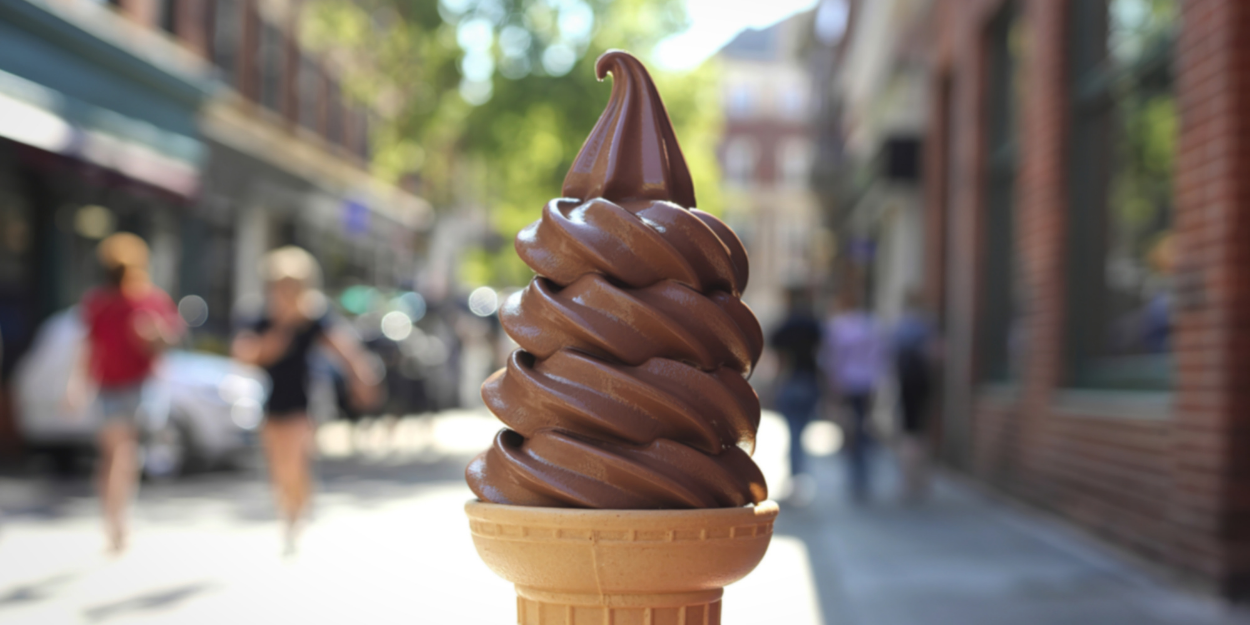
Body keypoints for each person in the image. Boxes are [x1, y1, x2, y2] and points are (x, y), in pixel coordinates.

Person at [231, 247, 379, 554]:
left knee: (296, 460)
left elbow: (344, 349)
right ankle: (287, 514)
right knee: (277, 465)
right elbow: (246, 355)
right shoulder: (262, 317)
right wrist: (281, 329)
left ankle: (297, 515)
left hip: (304, 401)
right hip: (271, 401)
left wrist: (362, 379)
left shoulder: (314, 316)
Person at [67, 233, 183, 553]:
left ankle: (118, 519)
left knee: (122, 454)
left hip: (139, 385)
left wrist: (154, 333)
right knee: (117, 455)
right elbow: (89, 348)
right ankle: (115, 520)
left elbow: (170, 340)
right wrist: (77, 385)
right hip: (109, 386)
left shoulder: (150, 300)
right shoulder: (100, 303)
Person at [820, 291, 883, 502]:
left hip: (847, 384)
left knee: (849, 429)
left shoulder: (838, 327)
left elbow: (832, 359)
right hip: (866, 384)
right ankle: (863, 475)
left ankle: (855, 475)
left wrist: (833, 386)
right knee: (862, 426)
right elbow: (878, 357)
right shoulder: (870, 325)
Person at [769, 288, 823, 506]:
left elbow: (777, 354)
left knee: (793, 433)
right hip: (809, 381)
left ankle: (795, 479)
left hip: (791, 380)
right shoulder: (814, 326)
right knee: (801, 432)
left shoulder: (786, 327)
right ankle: (799, 479)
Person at [892, 289, 937, 501]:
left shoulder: (901, 327)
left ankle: (909, 479)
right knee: (921, 430)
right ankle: (920, 479)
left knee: (909, 431)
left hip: (907, 383)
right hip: (924, 382)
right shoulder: (926, 326)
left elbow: (893, 355)